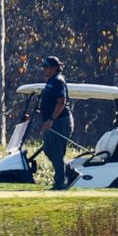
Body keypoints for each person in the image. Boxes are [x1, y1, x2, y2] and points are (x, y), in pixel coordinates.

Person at [39, 56, 73, 190]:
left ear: (54, 68)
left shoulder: (58, 81)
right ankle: (69, 171)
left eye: (47, 67)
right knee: (48, 149)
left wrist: (51, 119)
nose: (44, 70)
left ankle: (60, 183)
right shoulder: (51, 81)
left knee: (57, 151)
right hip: (51, 122)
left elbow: (61, 102)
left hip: (60, 122)